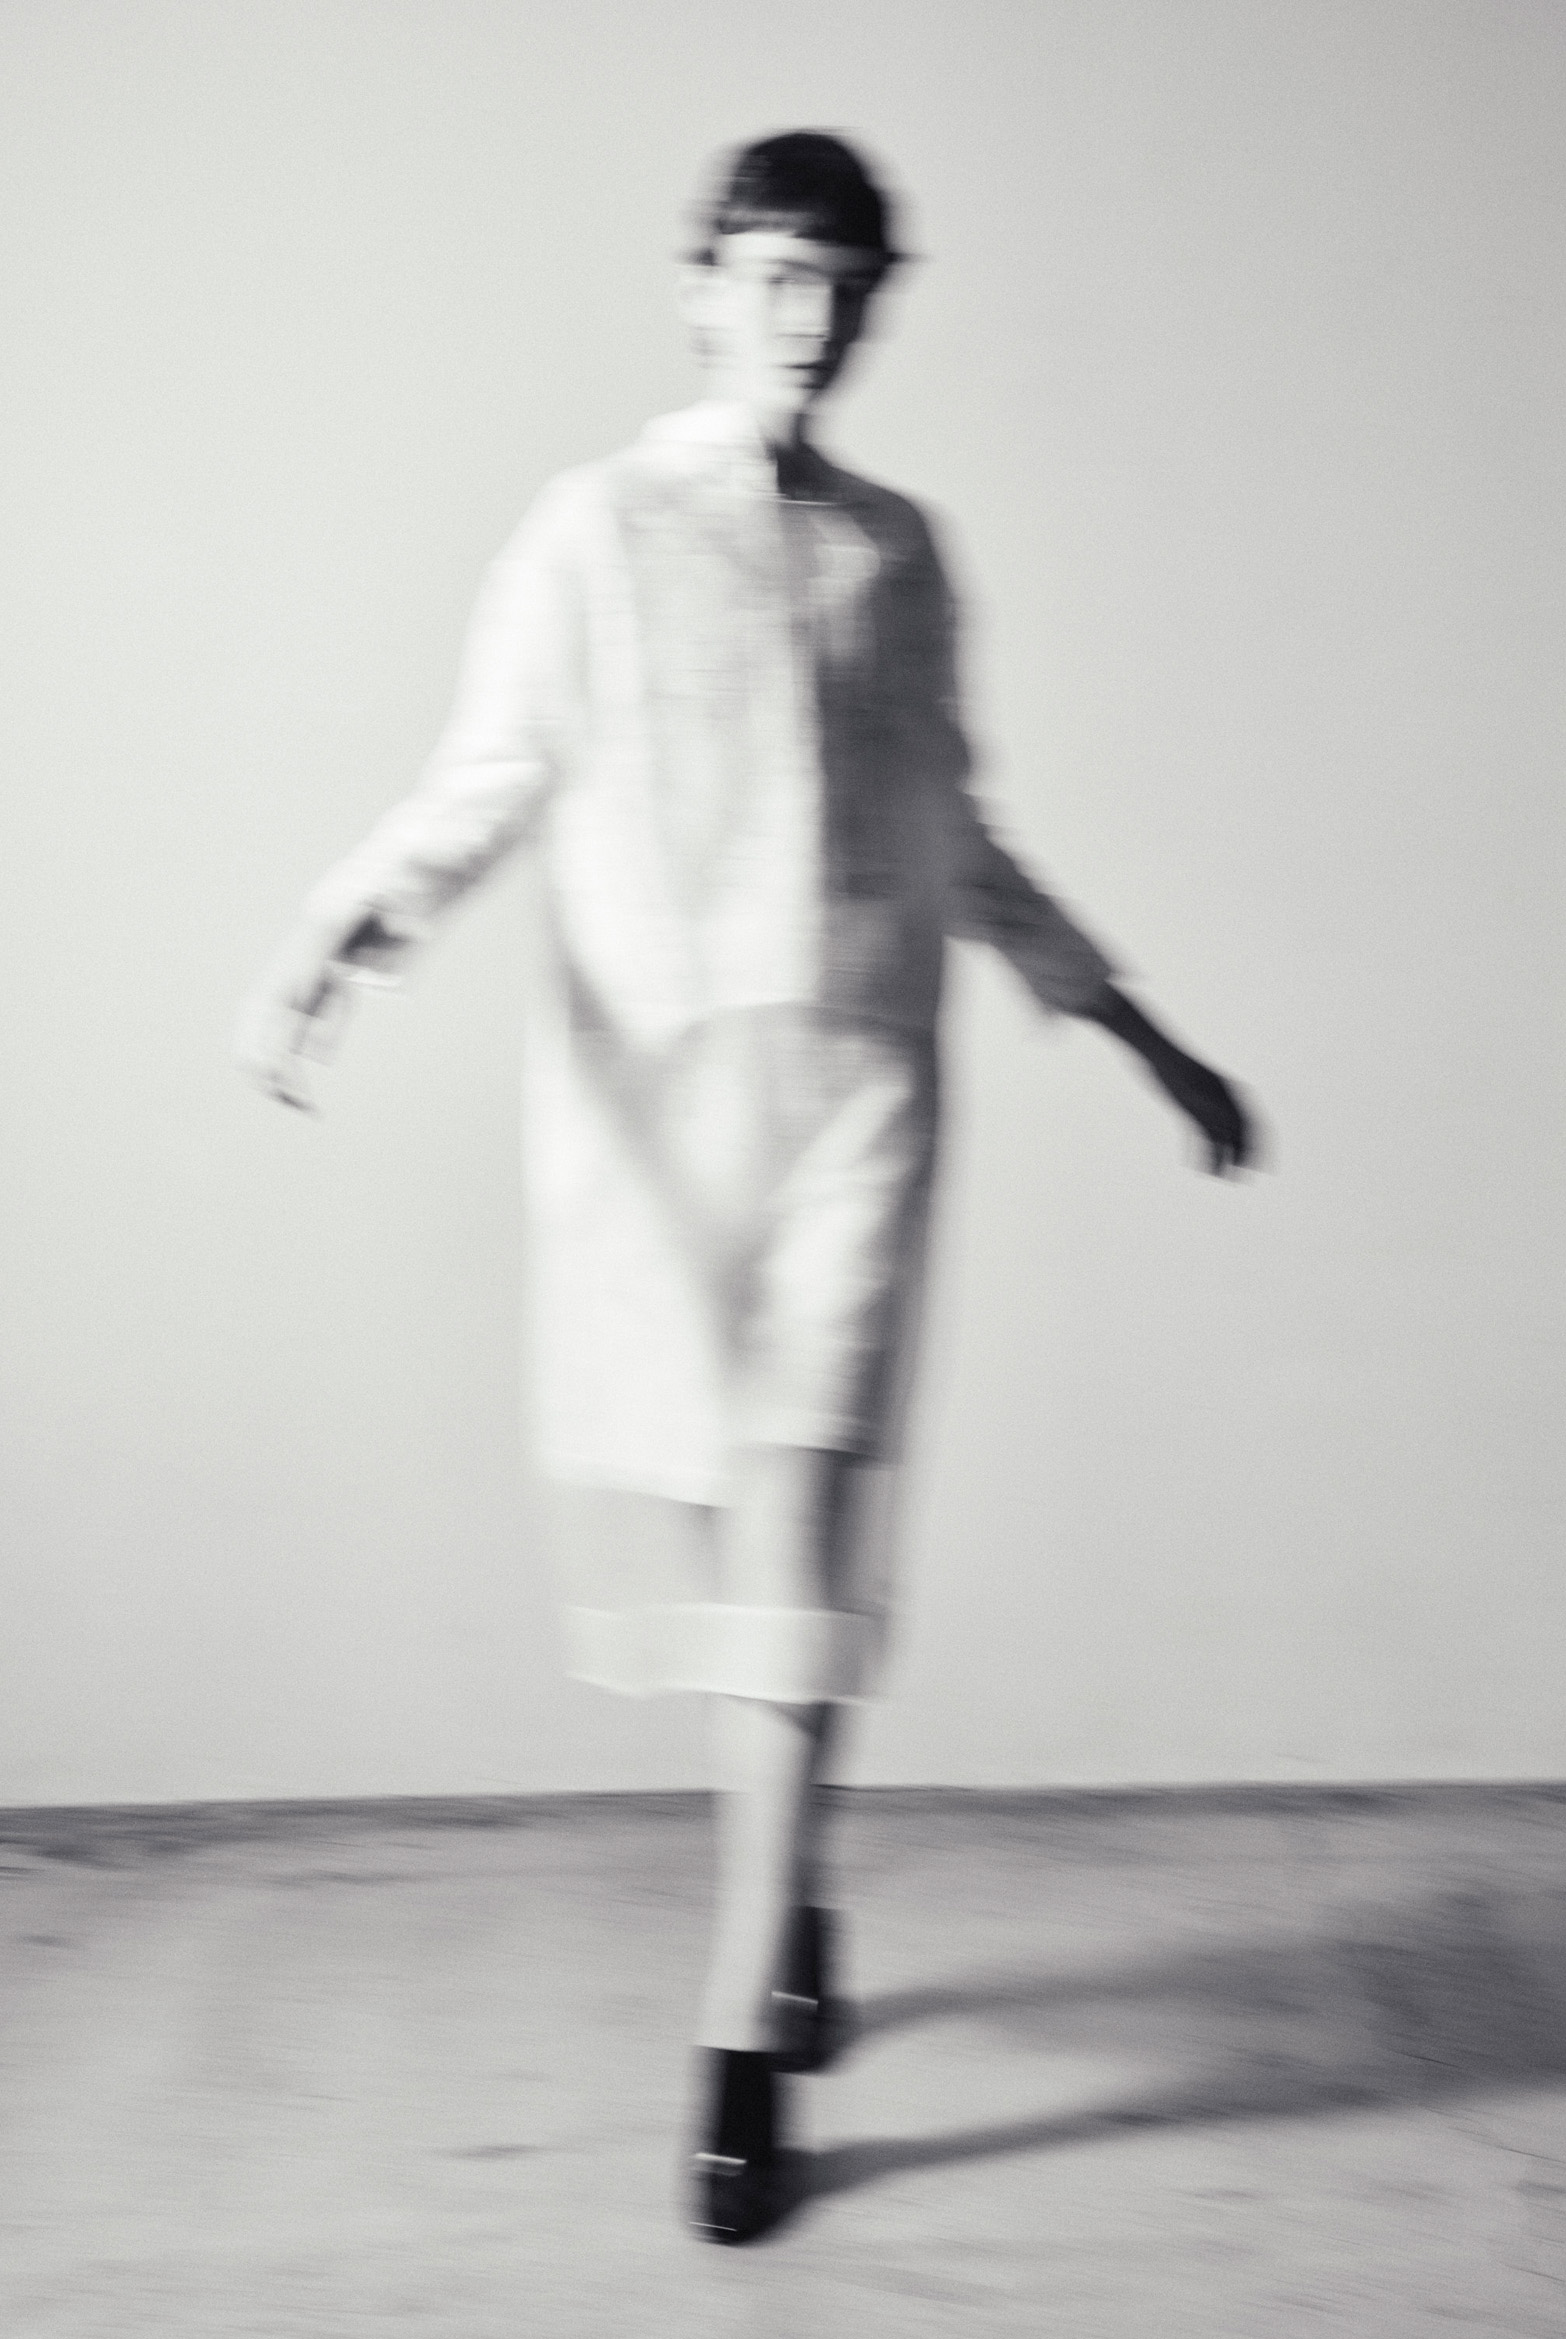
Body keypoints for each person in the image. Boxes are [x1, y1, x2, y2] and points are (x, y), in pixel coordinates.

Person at [237, 130, 1253, 2244]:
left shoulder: (902, 553)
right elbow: (489, 780)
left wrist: (1140, 1034)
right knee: (744, 1556)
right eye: (775, 276)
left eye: (845, 285)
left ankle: (729, 2044)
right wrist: (338, 944)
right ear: (698, 284)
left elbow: (960, 838)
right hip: (661, 1113)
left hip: (861, 1095)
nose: (810, 320)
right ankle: (789, 1914)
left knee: (796, 1516)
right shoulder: (593, 531)